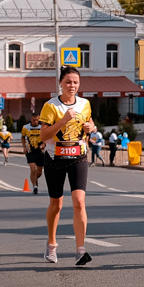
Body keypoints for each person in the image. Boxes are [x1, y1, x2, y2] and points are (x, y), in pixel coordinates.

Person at [40, 66, 98, 266]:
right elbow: (43, 135)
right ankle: (51, 244)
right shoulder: (50, 106)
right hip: (55, 158)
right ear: (60, 84)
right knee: (56, 204)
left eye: (75, 82)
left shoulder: (85, 104)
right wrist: (63, 120)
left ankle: (80, 250)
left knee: (79, 201)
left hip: (78, 156)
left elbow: (89, 124)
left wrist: (92, 127)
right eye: (68, 82)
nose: (72, 86)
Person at [21, 113, 45, 194]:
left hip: (40, 151)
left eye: (37, 120)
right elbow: (23, 137)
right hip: (30, 150)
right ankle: (35, 186)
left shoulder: (42, 127)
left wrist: (44, 144)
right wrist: (24, 146)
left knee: (39, 172)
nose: (36, 121)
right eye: (34, 120)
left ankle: (34, 178)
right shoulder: (26, 127)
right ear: (31, 119)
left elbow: (47, 136)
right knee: (33, 168)